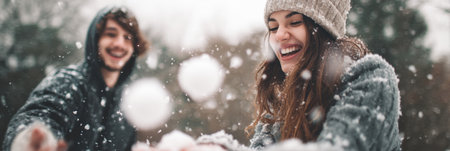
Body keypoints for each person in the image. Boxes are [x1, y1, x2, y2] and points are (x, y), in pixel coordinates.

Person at [246, 0, 402, 151]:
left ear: (323, 29)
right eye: (273, 27)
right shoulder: (279, 101)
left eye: (294, 22)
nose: (279, 35)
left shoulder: (371, 78)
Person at [3, 6, 149, 151]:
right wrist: (31, 141)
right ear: (96, 39)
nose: (119, 44)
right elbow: (39, 114)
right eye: (111, 34)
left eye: (127, 38)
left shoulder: (127, 102)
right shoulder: (68, 82)